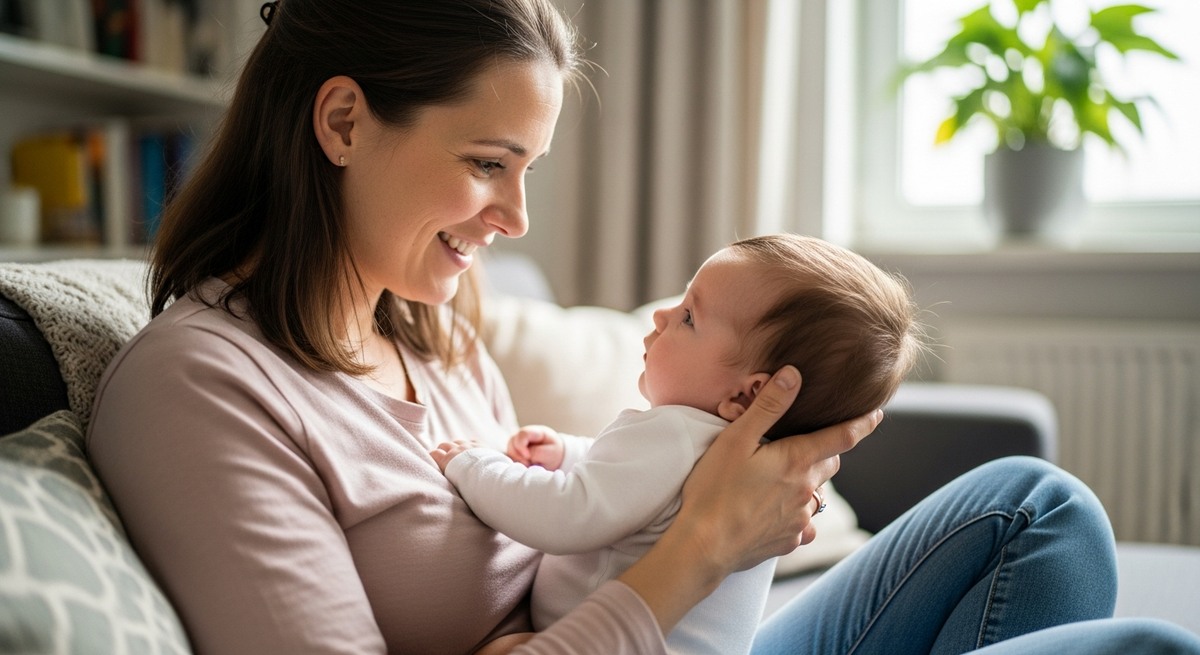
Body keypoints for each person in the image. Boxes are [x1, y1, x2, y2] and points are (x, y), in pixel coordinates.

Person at [83, 1, 1200, 654]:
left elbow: (554, 538)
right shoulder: (202, 391)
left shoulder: (431, 333)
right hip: (651, 622)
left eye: (529, 170)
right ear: (341, 121)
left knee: (1038, 505)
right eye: (488, 163)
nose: (516, 217)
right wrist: (704, 545)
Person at [429, 234, 925, 655]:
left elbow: (567, 514)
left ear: (746, 394)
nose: (661, 315)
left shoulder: (671, 435)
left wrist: (474, 465)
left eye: (689, 316)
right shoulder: (749, 467)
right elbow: (638, 493)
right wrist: (568, 452)